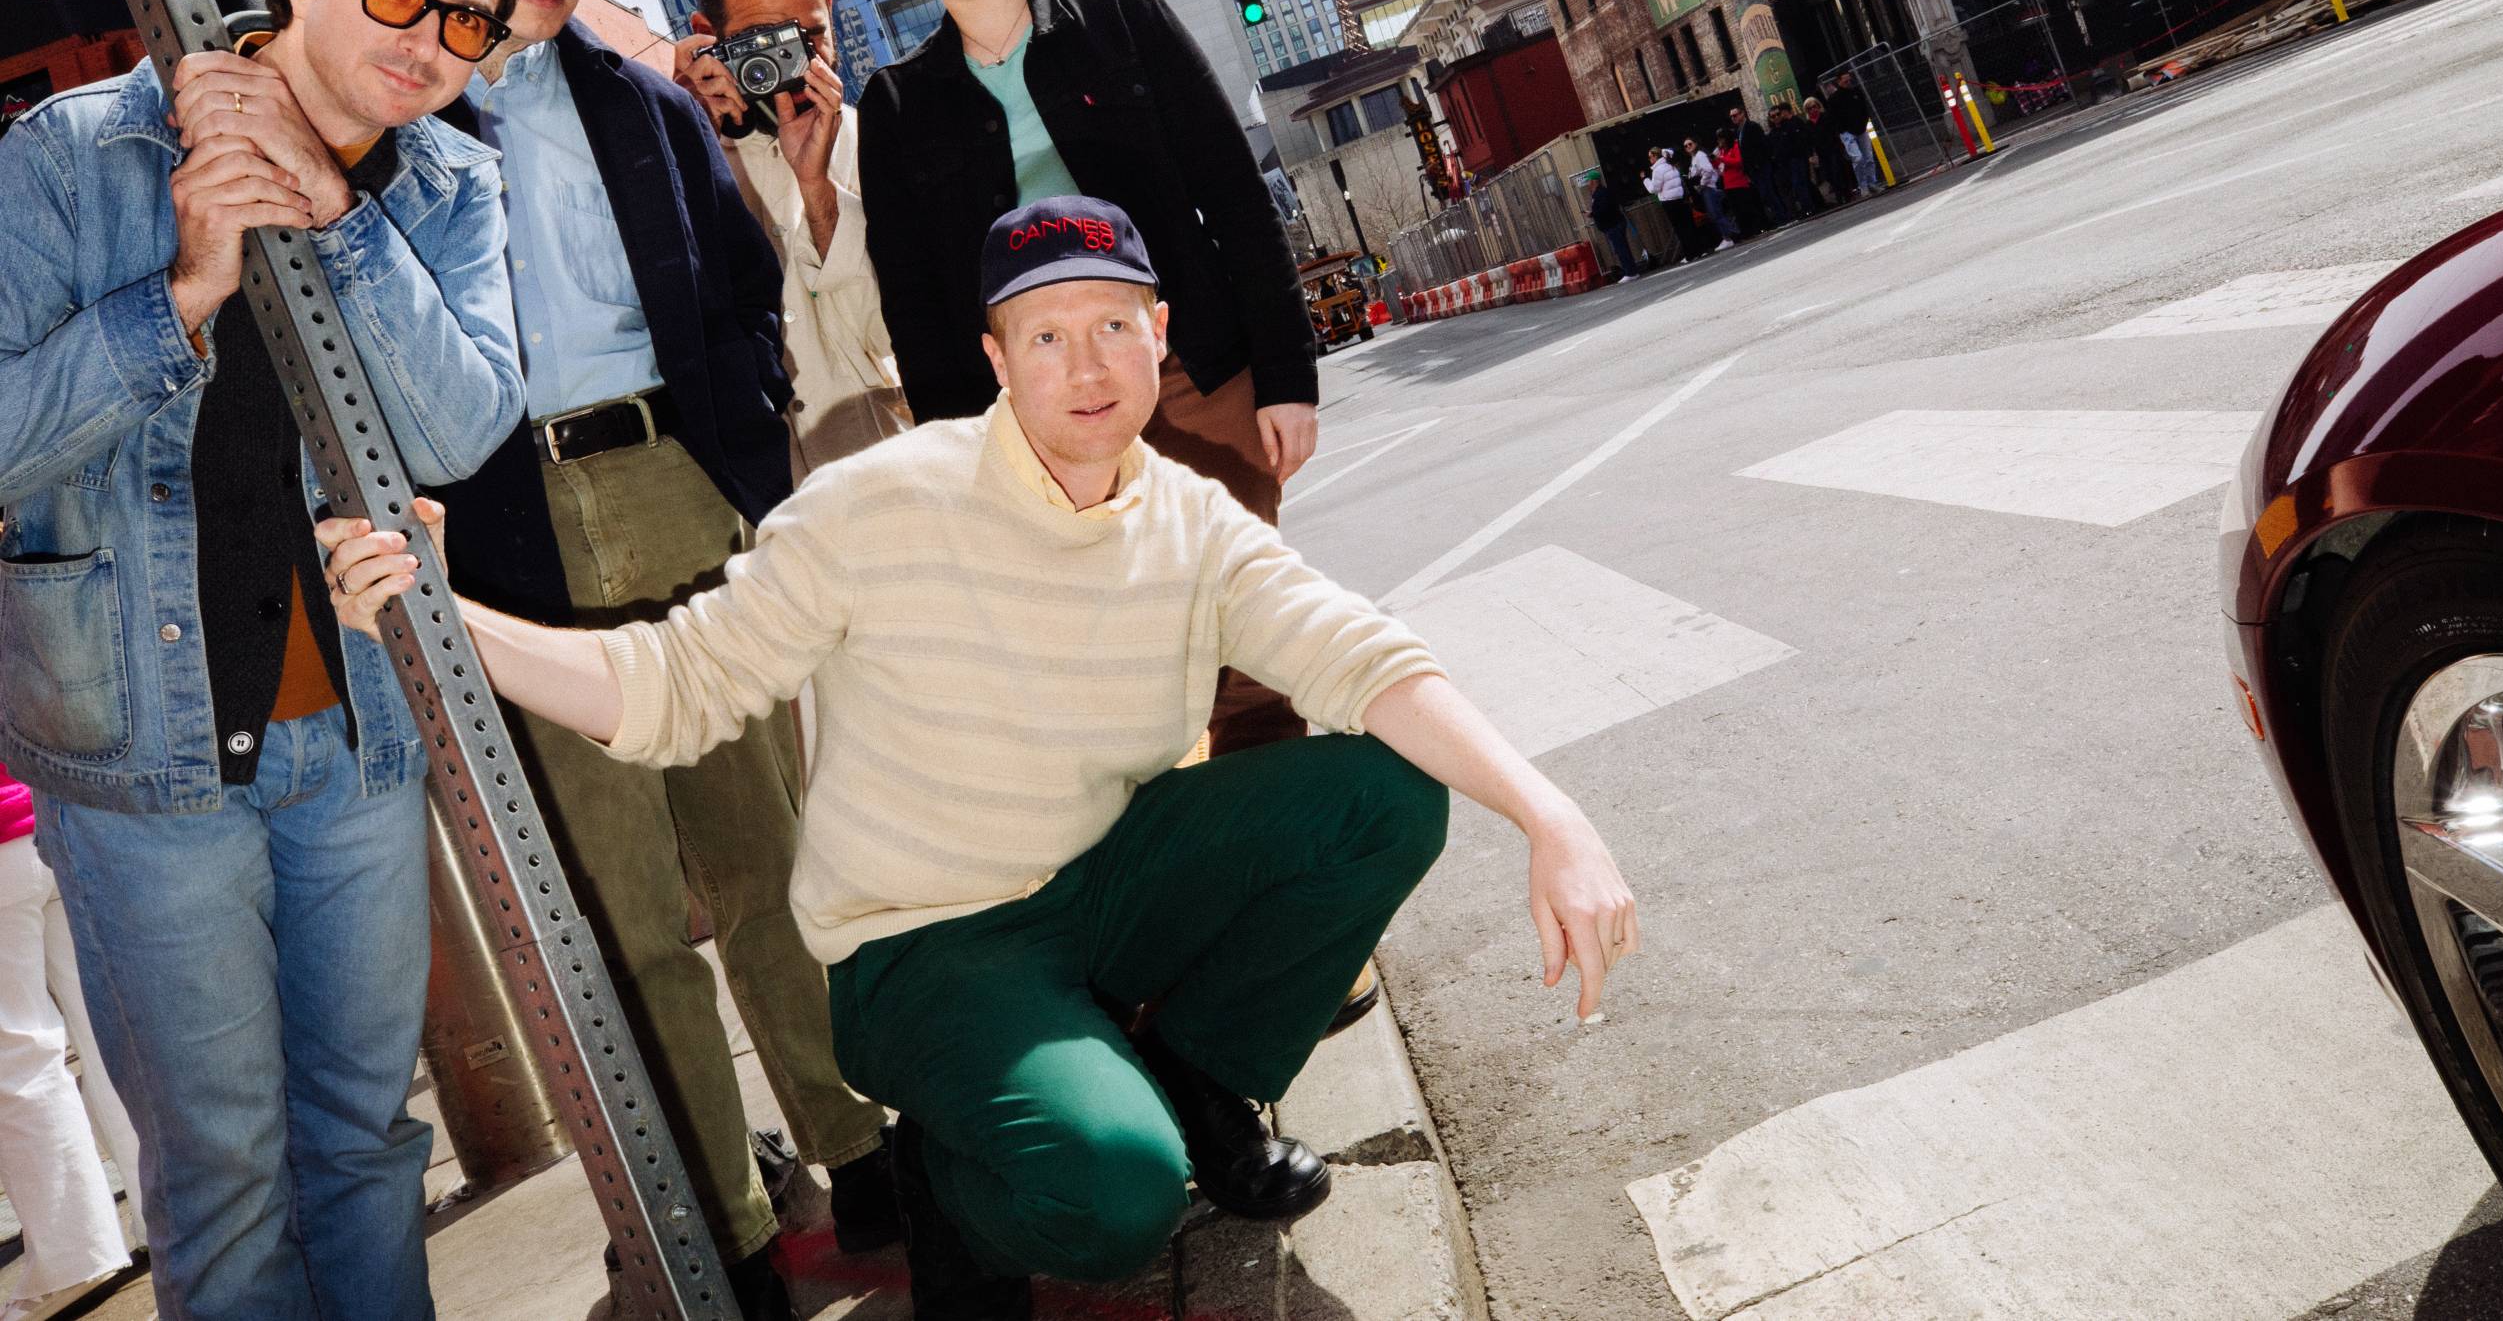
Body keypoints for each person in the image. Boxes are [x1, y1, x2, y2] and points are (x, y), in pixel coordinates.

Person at [315, 194, 1642, 1321]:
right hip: (925, 947)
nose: (1088, 361)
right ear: (997, 357)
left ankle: (1197, 1076)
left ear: (1158, 334)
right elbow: (671, 683)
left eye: (1116, 321)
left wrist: (1553, 817)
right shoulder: (880, 502)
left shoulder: (1191, 523)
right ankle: (960, 1171)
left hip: (1098, 889)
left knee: (1380, 791)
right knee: (1113, 1202)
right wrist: (445, 612)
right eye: (1048, 332)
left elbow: (1370, 658)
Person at [0, 0, 527, 1321]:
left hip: (353, 733)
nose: (428, 38)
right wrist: (179, 296)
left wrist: (336, 224)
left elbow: (462, 425)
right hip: (135, 746)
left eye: (468, 20)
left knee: (365, 1144)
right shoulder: (72, 155)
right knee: (223, 1176)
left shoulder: (445, 181)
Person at [426, 0, 890, 1317]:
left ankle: (858, 1144)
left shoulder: (646, 102)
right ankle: (731, 1225)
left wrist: (744, 446)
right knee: (629, 920)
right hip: (514, 544)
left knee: (768, 859)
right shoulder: (401, 118)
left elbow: (749, 285)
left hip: (685, 497)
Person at [851, 0, 1317, 762]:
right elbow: (921, 313)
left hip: (1190, 368)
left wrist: (1286, 375)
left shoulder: (1125, 20)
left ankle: (1286, 873)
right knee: (1112, 666)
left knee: (1249, 642)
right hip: (1042, 417)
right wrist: (967, 477)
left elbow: (1235, 195)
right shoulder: (899, 108)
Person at [674, 0, 907, 478]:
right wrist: (682, 141)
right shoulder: (681, 151)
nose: (793, 66)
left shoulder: (887, 139)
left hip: (885, 470)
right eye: (764, 41)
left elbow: (891, 337)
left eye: (809, 34)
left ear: (829, 6)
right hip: (753, 500)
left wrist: (818, 189)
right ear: (709, 33)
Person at [0, 760, 144, 1321]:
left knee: (19, 1056)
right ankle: (165, 1214)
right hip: (57, 815)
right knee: (111, 1033)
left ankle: (73, 1258)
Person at [1642, 146, 1705, 261]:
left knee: (1680, 229)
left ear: (1656, 156)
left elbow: (1654, 189)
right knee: (1689, 225)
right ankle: (1698, 250)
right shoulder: (1671, 166)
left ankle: (1690, 254)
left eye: (1650, 157)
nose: (1649, 159)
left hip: (1669, 202)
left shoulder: (1657, 170)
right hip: (1680, 199)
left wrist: (1645, 180)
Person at [1729, 101, 1785, 225]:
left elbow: (1762, 146)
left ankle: (1781, 216)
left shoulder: (1752, 127)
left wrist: (1760, 163)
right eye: (1732, 116)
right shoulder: (1738, 132)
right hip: (1753, 169)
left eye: (1735, 115)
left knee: (1768, 191)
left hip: (1761, 166)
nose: (1734, 118)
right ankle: (1777, 215)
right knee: (1764, 194)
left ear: (1742, 114)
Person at [1828, 70, 1883, 195]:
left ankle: (1872, 183)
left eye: (1849, 80)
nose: (1848, 83)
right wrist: (1841, 130)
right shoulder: (1834, 99)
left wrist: (1864, 122)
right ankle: (1863, 185)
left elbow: (1864, 108)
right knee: (1857, 158)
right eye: (1845, 81)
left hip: (1861, 128)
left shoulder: (1856, 92)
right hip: (1847, 132)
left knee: (1868, 157)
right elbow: (1834, 116)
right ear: (1839, 81)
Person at [1681, 137, 1739, 250]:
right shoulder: (1694, 158)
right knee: (1715, 213)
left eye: (1690, 144)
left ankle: (1730, 235)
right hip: (1706, 188)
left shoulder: (1700, 156)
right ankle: (1729, 235)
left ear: (1695, 143)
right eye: (1686, 146)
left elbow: (1708, 170)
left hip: (1708, 187)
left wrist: (1702, 183)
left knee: (1715, 213)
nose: (1688, 146)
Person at [1803, 97, 1858, 207]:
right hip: (1821, 152)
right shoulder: (1808, 125)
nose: (1813, 110)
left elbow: (1834, 131)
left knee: (1837, 171)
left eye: (1815, 106)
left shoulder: (1826, 117)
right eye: (1810, 108)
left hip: (1833, 148)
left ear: (1819, 107)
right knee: (1828, 174)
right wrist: (1811, 155)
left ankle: (1845, 194)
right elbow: (1808, 141)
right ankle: (1839, 194)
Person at [1585, 173, 1639, 280]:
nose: (1587, 184)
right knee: (1621, 248)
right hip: (1612, 224)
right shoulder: (1598, 193)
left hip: (1613, 225)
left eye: (1588, 181)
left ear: (1594, 181)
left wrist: (1592, 214)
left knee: (1621, 248)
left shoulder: (1601, 193)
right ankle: (1631, 271)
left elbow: (1605, 209)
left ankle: (1630, 272)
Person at [1714, 129, 1766, 238]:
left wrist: (1722, 159)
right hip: (1728, 184)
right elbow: (1718, 165)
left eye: (1721, 138)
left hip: (1739, 181)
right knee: (1737, 210)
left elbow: (1738, 161)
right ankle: (1746, 231)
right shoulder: (1722, 150)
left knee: (1746, 207)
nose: (1720, 141)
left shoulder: (1735, 146)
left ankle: (1756, 228)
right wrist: (1714, 159)